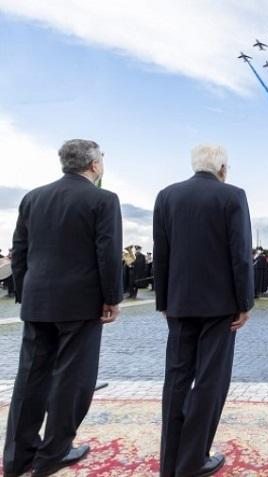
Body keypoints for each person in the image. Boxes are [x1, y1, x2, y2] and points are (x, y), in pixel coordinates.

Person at [3, 139, 122, 477]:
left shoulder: (33, 197)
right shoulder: (103, 199)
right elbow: (108, 253)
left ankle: (16, 458)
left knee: (29, 378)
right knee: (74, 379)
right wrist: (111, 298)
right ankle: (54, 452)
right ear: (95, 165)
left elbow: (19, 249)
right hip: (80, 303)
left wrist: (28, 291)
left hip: (38, 299)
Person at [153, 144, 253, 477]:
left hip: (180, 303)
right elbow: (240, 255)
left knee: (176, 379)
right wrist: (244, 303)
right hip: (220, 305)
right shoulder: (232, 195)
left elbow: (162, 252)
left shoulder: (167, 195)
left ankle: (170, 462)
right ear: (222, 168)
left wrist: (164, 301)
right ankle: (194, 459)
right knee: (210, 380)